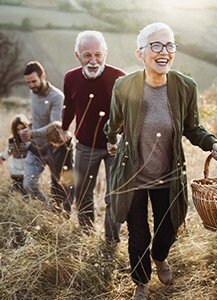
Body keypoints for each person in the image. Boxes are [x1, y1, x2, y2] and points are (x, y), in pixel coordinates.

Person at [103, 22, 217, 299]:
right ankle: (141, 282)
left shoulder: (185, 87)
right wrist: (110, 140)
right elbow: (113, 122)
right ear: (141, 54)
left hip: (168, 175)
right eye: (156, 45)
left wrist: (212, 143)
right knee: (138, 237)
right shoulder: (124, 86)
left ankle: (160, 257)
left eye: (169, 45)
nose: (164, 51)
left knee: (168, 229)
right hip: (132, 175)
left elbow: (192, 127)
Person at [61, 30, 126, 244]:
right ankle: (87, 234)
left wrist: (119, 139)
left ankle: (111, 240)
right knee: (83, 193)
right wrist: (64, 128)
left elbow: (128, 113)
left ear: (106, 53)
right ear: (77, 55)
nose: (93, 60)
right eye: (87, 54)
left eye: (98, 54)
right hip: (85, 146)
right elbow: (69, 107)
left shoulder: (119, 78)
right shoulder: (70, 78)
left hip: (113, 147)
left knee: (114, 195)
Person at [20, 61, 70, 211]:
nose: (31, 86)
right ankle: (48, 207)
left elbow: (55, 125)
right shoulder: (32, 92)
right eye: (28, 83)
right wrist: (29, 125)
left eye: (34, 81)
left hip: (53, 148)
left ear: (43, 76)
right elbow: (37, 117)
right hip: (35, 147)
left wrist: (32, 133)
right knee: (29, 185)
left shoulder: (57, 97)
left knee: (60, 187)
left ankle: (59, 214)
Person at [27, 121, 74, 216]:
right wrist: (28, 145)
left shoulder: (67, 148)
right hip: (55, 180)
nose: (56, 145)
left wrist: (68, 137)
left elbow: (70, 143)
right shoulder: (49, 146)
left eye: (59, 142)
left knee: (66, 203)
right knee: (55, 201)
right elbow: (39, 151)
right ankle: (55, 218)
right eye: (54, 143)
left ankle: (65, 220)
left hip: (67, 180)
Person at [0, 114, 30, 195]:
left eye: (23, 128)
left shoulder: (30, 139)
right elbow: (8, 151)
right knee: (17, 187)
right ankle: (6, 197)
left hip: (27, 169)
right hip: (16, 169)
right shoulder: (13, 141)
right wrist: (2, 158)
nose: (20, 132)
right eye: (18, 129)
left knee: (26, 189)